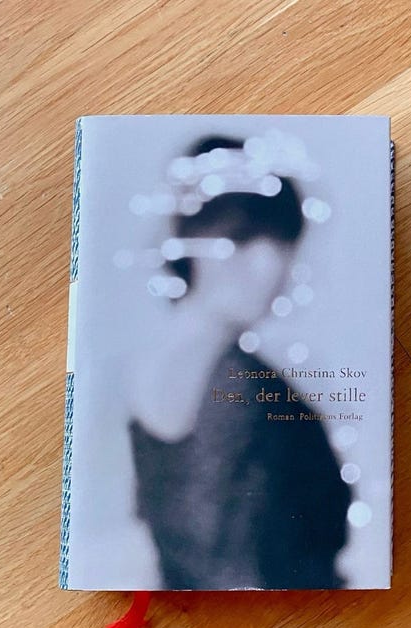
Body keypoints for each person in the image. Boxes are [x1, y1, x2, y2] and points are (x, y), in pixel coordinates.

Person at [129, 136, 351, 589]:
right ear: (187, 240)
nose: (269, 264)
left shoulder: (148, 365)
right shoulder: (237, 381)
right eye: (240, 239)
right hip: (277, 612)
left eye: (281, 241)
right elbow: (242, 556)